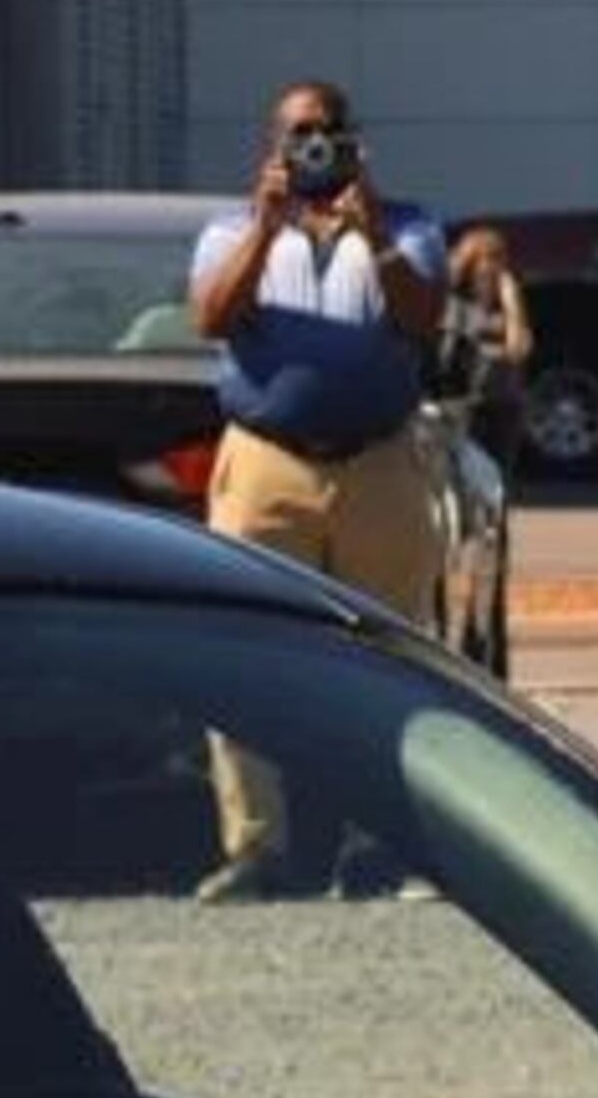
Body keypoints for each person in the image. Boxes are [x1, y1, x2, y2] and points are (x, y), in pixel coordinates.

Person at [185, 79, 450, 901]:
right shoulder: (232, 230)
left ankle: (383, 843)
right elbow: (211, 316)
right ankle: (258, 847)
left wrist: (372, 232)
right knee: (241, 650)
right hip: (268, 466)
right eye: (302, 134)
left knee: (391, 655)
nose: (317, 148)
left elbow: (423, 317)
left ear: (356, 142)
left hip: (376, 463)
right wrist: (267, 228)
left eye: (331, 133)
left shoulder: (410, 227)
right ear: (273, 145)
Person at [441, 223, 536, 474]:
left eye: (501, 259)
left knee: (498, 481)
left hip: (505, 405)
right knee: (467, 478)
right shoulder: (454, 305)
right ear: (472, 264)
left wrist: (512, 302)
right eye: (490, 259)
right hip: (467, 406)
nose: (497, 268)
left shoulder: (506, 310)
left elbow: (520, 349)